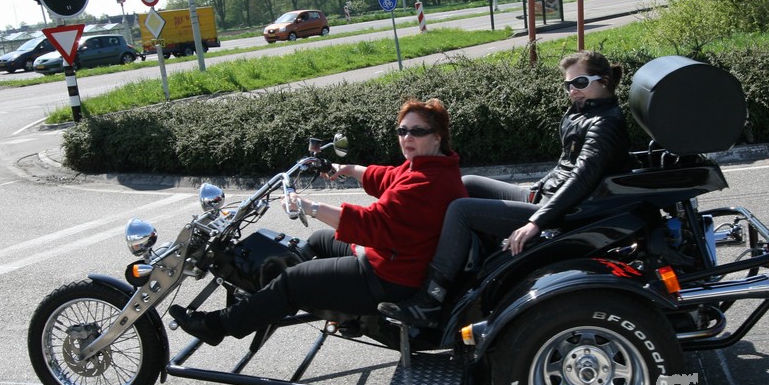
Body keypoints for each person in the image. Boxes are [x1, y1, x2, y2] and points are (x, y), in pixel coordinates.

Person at [170, 98, 468, 346]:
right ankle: (300, 307)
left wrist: (308, 206)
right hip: (395, 259)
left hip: (391, 279)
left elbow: (370, 224)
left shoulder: (427, 183)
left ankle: (219, 326)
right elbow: (388, 177)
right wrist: (344, 168)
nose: (407, 138)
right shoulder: (430, 168)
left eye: (417, 131)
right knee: (317, 241)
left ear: (437, 136)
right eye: (402, 130)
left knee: (293, 280)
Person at [378, 50, 632, 328]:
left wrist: (536, 222)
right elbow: (564, 166)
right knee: (468, 183)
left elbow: (581, 179)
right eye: (568, 84)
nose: (572, 91)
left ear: (604, 81)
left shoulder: (605, 124)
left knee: (461, 210)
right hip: (544, 197)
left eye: (580, 83)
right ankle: (463, 261)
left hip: (561, 212)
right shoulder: (584, 111)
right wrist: (537, 188)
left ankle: (432, 299)